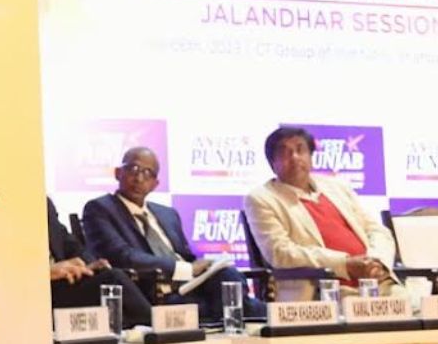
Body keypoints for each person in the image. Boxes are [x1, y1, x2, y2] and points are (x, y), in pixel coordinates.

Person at [83, 147, 265, 320]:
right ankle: (260, 314)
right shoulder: (100, 209)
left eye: (148, 173)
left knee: (228, 276)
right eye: (133, 169)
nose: (139, 178)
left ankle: (253, 313)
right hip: (155, 291)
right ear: (118, 173)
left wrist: (207, 266)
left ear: (155, 184)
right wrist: (186, 269)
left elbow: (186, 256)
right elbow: (122, 256)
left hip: (191, 286)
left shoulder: (167, 214)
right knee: (234, 306)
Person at [244, 126, 401, 301]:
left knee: (416, 304)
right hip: (326, 292)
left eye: (300, 150)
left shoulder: (337, 187)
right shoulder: (262, 198)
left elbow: (377, 230)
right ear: (272, 163)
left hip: (377, 285)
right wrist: (344, 264)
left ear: (311, 157)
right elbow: (281, 253)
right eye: (285, 153)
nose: (295, 157)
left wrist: (376, 262)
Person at [48, 197, 152, 328]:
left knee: (108, 280)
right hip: (34, 290)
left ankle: (146, 331)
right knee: (113, 279)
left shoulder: (43, 203)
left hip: (63, 283)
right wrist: (46, 271)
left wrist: (90, 265)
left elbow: (69, 243)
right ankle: (157, 328)